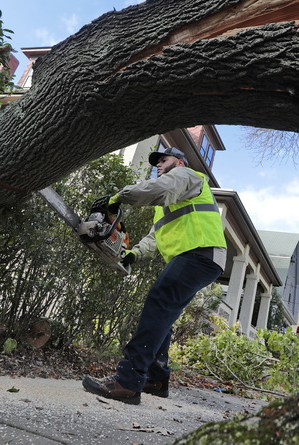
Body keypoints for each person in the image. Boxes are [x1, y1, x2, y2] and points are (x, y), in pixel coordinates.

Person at [82, 147, 227, 405]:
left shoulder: (186, 176)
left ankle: (128, 382)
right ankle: (156, 379)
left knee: (158, 306)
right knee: (164, 314)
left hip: (199, 253)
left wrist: (118, 197)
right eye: (156, 163)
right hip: (198, 258)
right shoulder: (169, 203)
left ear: (178, 162)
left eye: (164, 160)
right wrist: (134, 254)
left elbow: (157, 189)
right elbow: (154, 236)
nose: (158, 165)